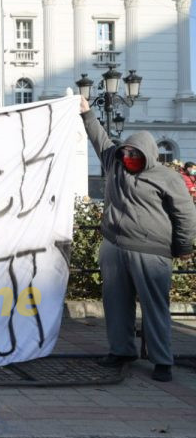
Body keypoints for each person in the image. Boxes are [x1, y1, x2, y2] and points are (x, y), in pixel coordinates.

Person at [80, 97, 196, 382]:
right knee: (115, 303)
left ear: (148, 154)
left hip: (151, 251)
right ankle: (121, 350)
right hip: (114, 246)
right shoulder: (115, 162)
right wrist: (87, 113)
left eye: (135, 152)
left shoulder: (168, 178)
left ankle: (162, 359)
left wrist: (183, 247)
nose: (129, 155)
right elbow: (99, 138)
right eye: (126, 151)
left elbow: (185, 215)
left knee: (154, 307)